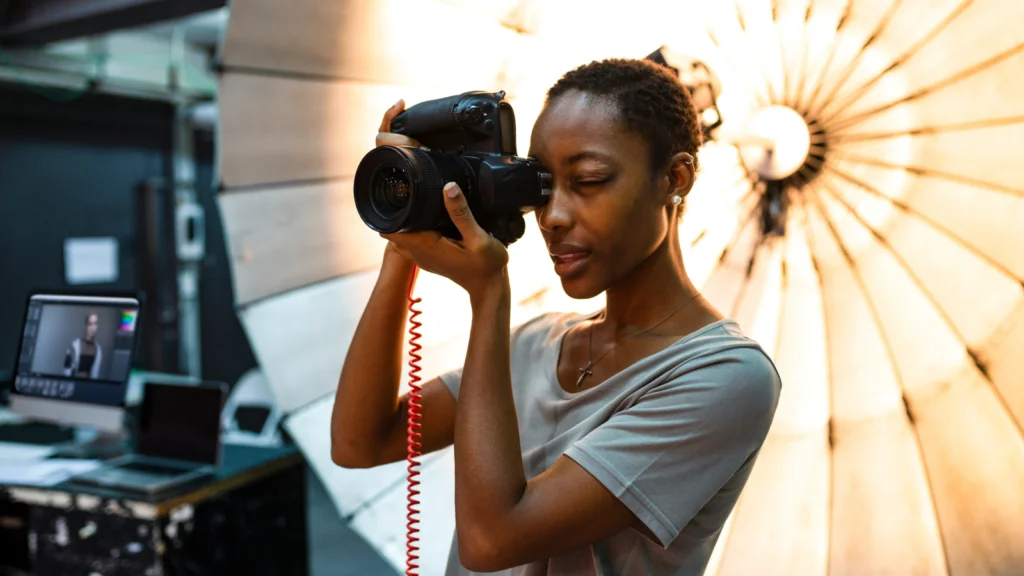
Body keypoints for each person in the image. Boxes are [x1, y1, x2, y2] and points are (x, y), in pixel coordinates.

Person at [332, 58, 782, 575]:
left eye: (589, 180)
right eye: (542, 186)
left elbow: (490, 541)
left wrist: (488, 295)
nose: (554, 217)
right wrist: (404, 239)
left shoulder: (725, 378)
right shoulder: (537, 344)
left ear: (674, 178)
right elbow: (359, 441)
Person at [64, 312, 102, 379]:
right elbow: (66, 369)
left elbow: (95, 374)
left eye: (95, 323)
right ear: (86, 326)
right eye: (90, 324)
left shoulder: (98, 349)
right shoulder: (74, 345)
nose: (93, 328)